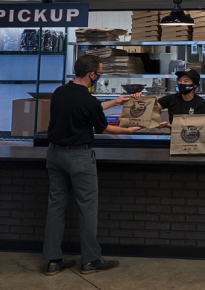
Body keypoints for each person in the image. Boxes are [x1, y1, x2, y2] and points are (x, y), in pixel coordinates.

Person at [42, 54, 141, 276]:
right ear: (91, 74)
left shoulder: (60, 92)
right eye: (100, 73)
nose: (100, 76)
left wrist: (115, 102)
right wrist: (127, 131)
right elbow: (102, 128)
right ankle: (91, 260)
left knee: (56, 207)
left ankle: (53, 261)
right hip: (79, 158)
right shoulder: (88, 100)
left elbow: (87, 109)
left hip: (54, 155)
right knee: (87, 208)